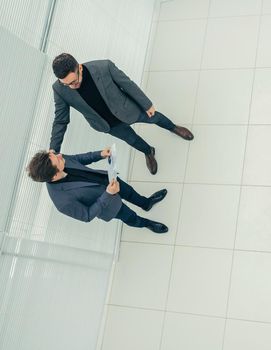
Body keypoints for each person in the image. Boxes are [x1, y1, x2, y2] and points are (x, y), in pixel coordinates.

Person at [50, 53, 194, 175]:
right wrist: (54, 150)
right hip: (107, 123)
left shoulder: (103, 67)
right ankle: (148, 152)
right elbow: (60, 121)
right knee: (132, 140)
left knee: (154, 118)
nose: (72, 87)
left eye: (74, 81)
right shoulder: (59, 89)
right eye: (67, 84)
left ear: (79, 67)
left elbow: (127, 84)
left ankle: (173, 127)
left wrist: (147, 104)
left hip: (128, 108)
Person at [26, 148, 169, 233]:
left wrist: (99, 154)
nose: (60, 155)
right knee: (130, 217)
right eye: (58, 159)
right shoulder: (61, 202)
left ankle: (146, 203)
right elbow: (87, 216)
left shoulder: (57, 160)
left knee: (131, 192)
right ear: (55, 175)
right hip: (108, 204)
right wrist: (108, 194)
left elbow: (77, 159)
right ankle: (147, 224)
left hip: (108, 179)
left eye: (55, 155)